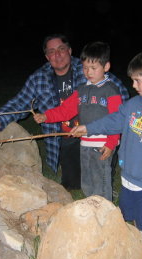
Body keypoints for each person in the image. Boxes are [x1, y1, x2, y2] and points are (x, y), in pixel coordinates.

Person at [71, 50, 142, 259]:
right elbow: (113, 120)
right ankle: (137, 242)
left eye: (137, 81)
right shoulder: (134, 104)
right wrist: (88, 128)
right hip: (130, 172)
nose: (133, 86)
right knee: (130, 210)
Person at [0, 34, 129, 190]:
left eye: (61, 49)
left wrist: (113, 138)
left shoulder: (90, 68)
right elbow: (20, 102)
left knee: (100, 177)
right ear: (47, 56)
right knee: (74, 184)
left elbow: (122, 98)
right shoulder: (39, 78)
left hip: (100, 135)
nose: (57, 55)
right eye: (51, 51)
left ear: (70, 51)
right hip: (66, 139)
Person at [33, 41, 122, 201]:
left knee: (100, 179)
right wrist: (46, 116)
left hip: (102, 144)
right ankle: (90, 204)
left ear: (106, 67)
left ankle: (103, 209)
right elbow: (65, 110)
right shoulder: (81, 90)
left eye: (93, 68)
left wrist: (111, 142)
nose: (88, 72)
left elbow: (116, 119)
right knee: (87, 179)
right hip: (85, 143)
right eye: (85, 68)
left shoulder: (111, 90)